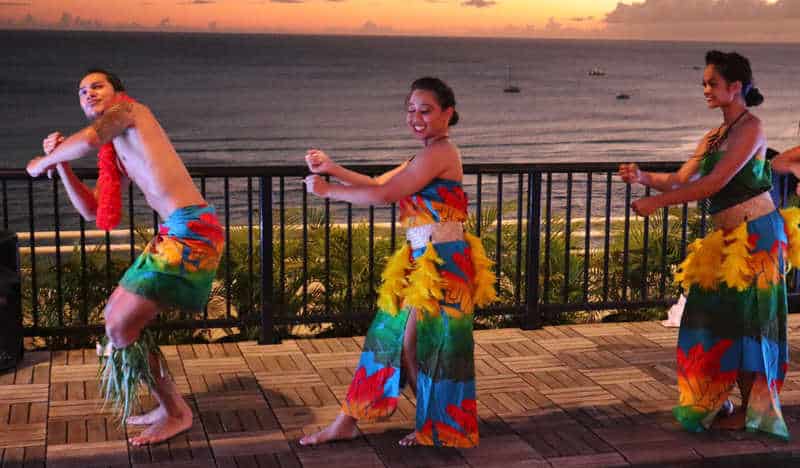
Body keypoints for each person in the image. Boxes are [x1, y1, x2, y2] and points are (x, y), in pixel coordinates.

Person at [27, 69, 224, 445]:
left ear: (118, 92)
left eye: (96, 86)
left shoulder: (131, 112)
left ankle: (177, 413)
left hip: (193, 232)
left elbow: (88, 139)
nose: (88, 93)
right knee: (115, 322)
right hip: (174, 233)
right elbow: (91, 209)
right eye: (81, 91)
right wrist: (60, 164)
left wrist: (40, 163)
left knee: (120, 326)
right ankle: (170, 406)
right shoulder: (115, 150)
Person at [299, 77, 495, 447]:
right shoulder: (423, 155)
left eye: (426, 110)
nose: (416, 118)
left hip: (443, 265)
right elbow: (377, 182)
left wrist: (329, 191)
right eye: (411, 110)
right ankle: (349, 421)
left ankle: (435, 425)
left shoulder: (441, 152)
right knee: (387, 337)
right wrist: (333, 168)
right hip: (421, 260)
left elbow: (386, 195)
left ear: (448, 113)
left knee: (420, 344)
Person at [619, 51, 795, 440]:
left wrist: (657, 204)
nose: (705, 90)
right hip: (726, 240)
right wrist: (643, 177)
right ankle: (714, 396)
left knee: (750, 324)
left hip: (757, 237)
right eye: (704, 83)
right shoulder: (714, 137)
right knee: (710, 318)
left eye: (712, 83)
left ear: (736, 87)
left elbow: (714, 183)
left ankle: (752, 410)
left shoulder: (751, 129)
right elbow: (681, 178)